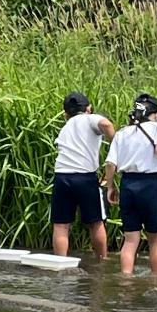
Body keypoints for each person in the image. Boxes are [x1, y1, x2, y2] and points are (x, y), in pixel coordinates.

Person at [104, 93, 157, 278]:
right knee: (156, 238)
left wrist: (110, 187)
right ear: (156, 114)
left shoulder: (122, 133)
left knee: (130, 239)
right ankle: (156, 280)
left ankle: (126, 279)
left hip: (127, 185)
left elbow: (110, 164)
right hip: (151, 185)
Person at [52, 91, 115, 260]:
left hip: (62, 176)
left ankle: (60, 264)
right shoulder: (90, 118)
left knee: (61, 225)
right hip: (85, 177)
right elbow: (106, 124)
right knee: (96, 222)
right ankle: (102, 260)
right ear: (89, 108)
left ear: (66, 114)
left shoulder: (66, 127)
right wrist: (116, 145)